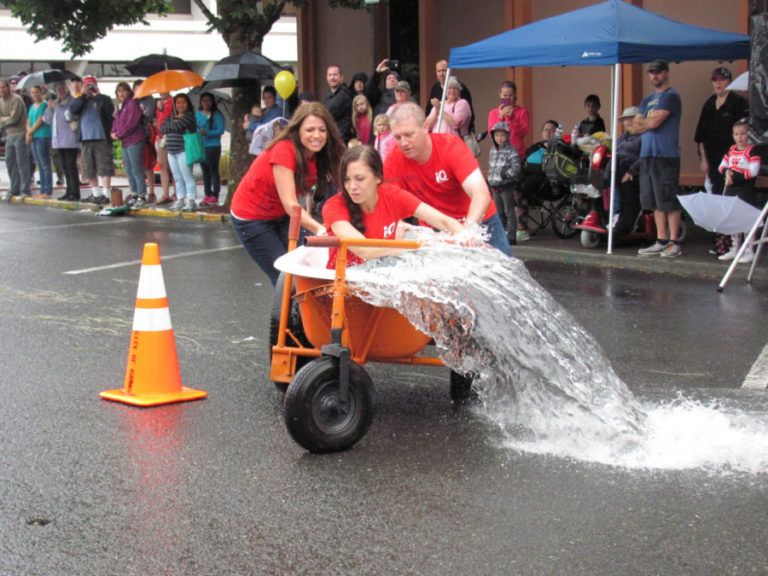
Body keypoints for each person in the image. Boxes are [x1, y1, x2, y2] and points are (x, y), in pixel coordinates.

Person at [230, 102, 346, 285]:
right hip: (252, 218)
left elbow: (342, 186)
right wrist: (321, 229)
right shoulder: (284, 150)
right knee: (287, 281)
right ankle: (286, 313)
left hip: (280, 214)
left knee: (310, 269)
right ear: (297, 131)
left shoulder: (320, 153)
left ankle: (303, 313)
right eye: (310, 130)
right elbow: (291, 204)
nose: (317, 135)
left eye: (322, 130)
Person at [383, 102, 511, 255]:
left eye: (409, 135)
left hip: (480, 219)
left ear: (425, 127)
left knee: (503, 272)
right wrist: (397, 223)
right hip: (435, 227)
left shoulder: (450, 146)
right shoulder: (394, 159)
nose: (403, 143)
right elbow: (385, 202)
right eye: (398, 137)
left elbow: (480, 192)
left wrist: (469, 229)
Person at [323, 145, 464, 268]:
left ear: (378, 177)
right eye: (347, 180)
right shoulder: (333, 206)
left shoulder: (392, 195)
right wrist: (411, 248)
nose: (352, 187)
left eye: (360, 179)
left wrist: (465, 237)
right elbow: (363, 249)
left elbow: (444, 221)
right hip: (339, 284)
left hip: (378, 275)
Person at [632, 60, 684, 258]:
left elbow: (655, 122)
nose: (654, 76)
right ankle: (661, 240)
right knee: (653, 200)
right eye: (651, 73)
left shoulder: (671, 96)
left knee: (668, 198)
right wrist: (646, 123)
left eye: (658, 72)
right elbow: (634, 127)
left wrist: (646, 123)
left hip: (666, 154)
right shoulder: (647, 100)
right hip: (647, 154)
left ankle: (674, 241)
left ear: (666, 73)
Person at [694, 66, 749, 196]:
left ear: (729, 81)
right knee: (715, 192)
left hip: (733, 158)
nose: (718, 83)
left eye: (722, 80)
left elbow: (746, 132)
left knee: (732, 192)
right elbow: (700, 135)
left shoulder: (739, 102)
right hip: (712, 159)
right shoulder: (709, 103)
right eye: (715, 80)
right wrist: (703, 158)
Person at [717, 119, 761, 264]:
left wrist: (734, 176)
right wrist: (727, 172)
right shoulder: (731, 150)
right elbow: (721, 166)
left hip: (745, 189)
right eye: (737, 134)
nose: (740, 137)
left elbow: (753, 171)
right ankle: (734, 248)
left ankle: (748, 251)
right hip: (730, 189)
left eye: (743, 133)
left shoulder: (753, 150)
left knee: (746, 219)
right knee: (733, 219)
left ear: (748, 134)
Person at [69, 75, 114, 205]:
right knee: (89, 168)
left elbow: (109, 110)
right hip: (86, 138)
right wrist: (84, 95)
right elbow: (73, 110)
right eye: (87, 85)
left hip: (101, 137)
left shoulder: (104, 99)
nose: (89, 88)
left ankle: (106, 194)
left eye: (91, 85)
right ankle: (96, 193)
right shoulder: (80, 100)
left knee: (105, 166)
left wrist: (96, 95)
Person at [514, 120, 559, 242]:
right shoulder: (535, 147)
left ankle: (522, 228)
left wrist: (530, 167)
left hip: (545, 184)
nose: (548, 133)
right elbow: (522, 161)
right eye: (546, 130)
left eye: (552, 130)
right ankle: (509, 226)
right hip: (526, 178)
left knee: (521, 186)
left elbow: (549, 169)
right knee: (507, 184)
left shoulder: (558, 149)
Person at [159, 93, 197, 212]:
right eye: (178, 102)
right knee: (177, 177)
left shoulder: (189, 116)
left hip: (183, 151)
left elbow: (179, 126)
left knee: (187, 176)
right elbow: (162, 128)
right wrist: (173, 124)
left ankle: (191, 200)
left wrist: (172, 124)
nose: (180, 105)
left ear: (188, 104)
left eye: (183, 102)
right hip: (171, 151)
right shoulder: (170, 117)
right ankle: (180, 199)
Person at [111, 82, 147, 206]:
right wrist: (113, 132)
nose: (121, 94)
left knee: (136, 168)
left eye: (123, 91)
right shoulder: (122, 106)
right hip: (126, 141)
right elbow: (117, 121)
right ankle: (134, 194)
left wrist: (119, 134)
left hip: (135, 140)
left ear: (129, 92)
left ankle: (142, 196)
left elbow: (131, 123)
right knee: (129, 169)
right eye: (119, 91)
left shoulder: (132, 104)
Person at [43, 81, 80, 201]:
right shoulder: (56, 102)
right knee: (64, 166)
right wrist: (50, 107)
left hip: (69, 139)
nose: (61, 91)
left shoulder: (72, 102)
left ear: (67, 89)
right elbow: (47, 120)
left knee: (71, 166)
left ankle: (75, 192)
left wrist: (57, 107)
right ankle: (68, 191)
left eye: (63, 88)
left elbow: (71, 116)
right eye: (58, 88)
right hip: (58, 139)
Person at [609, 106, 642, 235]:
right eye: (625, 119)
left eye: (631, 118)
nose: (628, 122)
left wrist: (631, 171)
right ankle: (608, 217)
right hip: (618, 171)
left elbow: (644, 158)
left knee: (626, 185)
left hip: (636, 173)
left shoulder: (643, 137)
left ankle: (624, 223)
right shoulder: (621, 139)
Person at [487, 121, 521, 243]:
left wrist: (506, 174)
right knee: (498, 212)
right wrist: (490, 180)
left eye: (502, 135)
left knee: (509, 212)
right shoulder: (492, 150)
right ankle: (500, 235)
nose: (499, 138)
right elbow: (491, 167)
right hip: (495, 185)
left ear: (507, 136)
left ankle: (512, 237)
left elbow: (517, 167)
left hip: (506, 186)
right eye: (496, 136)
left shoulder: (511, 150)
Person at [0, 77, 30, 200]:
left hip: (20, 133)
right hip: (8, 135)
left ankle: (25, 189)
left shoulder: (16, 100)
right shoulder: (1, 101)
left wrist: (3, 119)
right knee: (10, 162)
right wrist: (6, 118)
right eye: (0, 88)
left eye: (3, 87)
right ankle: (14, 188)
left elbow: (14, 118)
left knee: (22, 162)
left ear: (8, 87)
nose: (1, 90)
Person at [425, 59, 475, 133]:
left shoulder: (462, 96)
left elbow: (459, 121)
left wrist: (440, 109)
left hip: (457, 137)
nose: (441, 74)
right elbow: (427, 122)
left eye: (444, 70)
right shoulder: (435, 88)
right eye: (439, 71)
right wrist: (436, 112)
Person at [196, 92, 226, 206]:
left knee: (213, 170)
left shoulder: (217, 115)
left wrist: (208, 132)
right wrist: (200, 131)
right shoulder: (198, 114)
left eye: (208, 100)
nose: (206, 103)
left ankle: (215, 194)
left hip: (213, 146)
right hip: (202, 146)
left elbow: (220, 130)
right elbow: (195, 127)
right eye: (203, 100)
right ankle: (207, 193)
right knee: (205, 171)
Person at [487, 80, 529, 159]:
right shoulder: (493, 113)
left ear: (515, 95)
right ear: (500, 95)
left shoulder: (522, 112)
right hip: (499, 154)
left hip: (517, 153)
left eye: (510, 95)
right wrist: (500, 118)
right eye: (505, 95)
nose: (508, 98)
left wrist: (512, 118)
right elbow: (491, 134)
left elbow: (523, 133)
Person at [26, 85, 53, 199]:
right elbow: (28, 120)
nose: (34, 94)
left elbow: (40, 121)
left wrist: (29, 133)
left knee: (45, 163)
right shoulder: (32, 106)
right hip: (34, 137)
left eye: (36, 92)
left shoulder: (44, 105)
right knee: (39, 164)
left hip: (43, 136)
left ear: (41, 92)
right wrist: (29, 132)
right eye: (32, 92)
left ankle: (47, 190)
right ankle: (42, 189)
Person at [133, 79, 158, 203]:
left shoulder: (149, 100)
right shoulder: (131, 101)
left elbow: (148, 115)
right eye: (137, 88)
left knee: (148, 165)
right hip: (133, 135)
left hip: (145, 135)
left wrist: (138, 115)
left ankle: (152, 191)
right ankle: (137, 191)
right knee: (135, 165)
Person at [323, 64, 353, 143]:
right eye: (330, 75)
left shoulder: (344, 94)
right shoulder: (328, 95)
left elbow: (327, 112)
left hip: (340, 139)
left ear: (341, 77)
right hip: (331, 137)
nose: (332, 77)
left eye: (335, 75)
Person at [155, 93, 175, 205]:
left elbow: (168, 118)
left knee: (173, 166)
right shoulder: (159, 103)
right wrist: (159, 108)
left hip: (171, 136)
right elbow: (159, 121)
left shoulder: (172, 103)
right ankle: (165, 193)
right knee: (163, 165)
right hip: (161, 137)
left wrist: (162, 109)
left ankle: (176, 193)